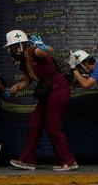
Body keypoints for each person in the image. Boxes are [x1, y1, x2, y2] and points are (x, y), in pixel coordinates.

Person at [6, 29, 77, 172]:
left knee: (53, 126)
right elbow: (26, 82)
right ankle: (27, 160)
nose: (11, 49)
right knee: (34, 124)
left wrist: (43, 47)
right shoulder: (23, 62)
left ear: (20, 45)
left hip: (58, 88)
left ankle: (69, 161)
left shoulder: (34, 51)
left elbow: (46, 52)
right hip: (47, 91)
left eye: (13, 46)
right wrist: (9, 91)